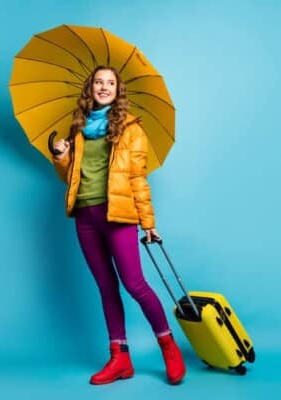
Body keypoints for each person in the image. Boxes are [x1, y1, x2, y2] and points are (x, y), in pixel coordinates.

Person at [50, 66, 186, 385]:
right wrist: (62, 157)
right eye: (99, 82)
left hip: (118, 215)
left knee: (134, 284)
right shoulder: (79, 126)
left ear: (118, 90)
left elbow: (138, 177)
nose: (104, 87)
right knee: (106, 287)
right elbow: (70, 178)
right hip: (85, 215)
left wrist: (148, 223)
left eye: (110, 83)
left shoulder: (130, 128)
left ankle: (168, 345)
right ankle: (120, 358)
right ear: (90, 87)